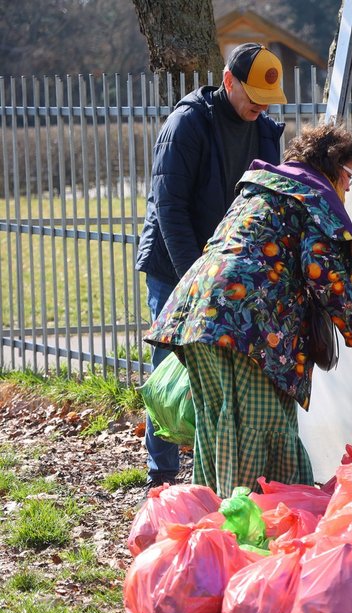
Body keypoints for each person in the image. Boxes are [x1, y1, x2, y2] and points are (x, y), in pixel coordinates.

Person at [145, 122, 352, 497]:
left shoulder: (263, 190)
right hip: (247, 329)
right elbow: (323, 272)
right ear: (334, 169)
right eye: (349, 174)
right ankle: (260, 529)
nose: (349, 186)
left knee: (220, 424)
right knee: (260, 427)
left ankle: (215, 523)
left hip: (197, 317)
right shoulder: (312, 199)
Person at [134, 43, 288, 489]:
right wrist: (193, 279)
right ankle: (160, 478)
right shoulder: (187, 123)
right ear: (228, 80)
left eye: (266, 98)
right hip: (175, 265)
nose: (259, 105)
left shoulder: (264, 132)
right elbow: (169, 208)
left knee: (218, 377)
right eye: (252, 94)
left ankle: (212, 478)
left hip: (229, 273)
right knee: (169, 367)